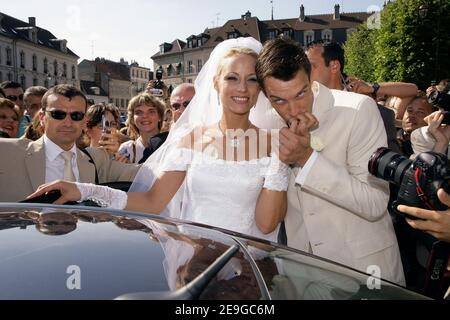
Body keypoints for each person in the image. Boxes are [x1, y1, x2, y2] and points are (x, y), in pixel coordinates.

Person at [28, 37, 289, 242]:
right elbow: (152, 201)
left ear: (260, 89)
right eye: (232, 78)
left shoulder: (274, 143)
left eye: (252, 80)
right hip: (197, 264)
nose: (242, 88)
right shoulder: (191, 139)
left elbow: (267, 224)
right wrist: (83, 189)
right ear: (216, 83)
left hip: (250, 268)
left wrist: (279, 159)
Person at [254, 37, 405, 285]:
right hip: (304, 277)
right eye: (279, 100)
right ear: (265, 95)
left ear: (310, 77)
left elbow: (375, 203)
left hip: (364, 274)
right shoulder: (267, 124)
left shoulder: (358, 110)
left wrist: (306, 158)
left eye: (301, 93)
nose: (292, 109)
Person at [0, 84, 140, 202]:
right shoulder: (9, 152)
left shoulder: (97, 159)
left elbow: (146, 173)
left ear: (84, 121)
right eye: (58, 114)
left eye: (76, 116)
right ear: (42, 117)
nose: (68, 122)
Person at [118, 93, 165, 163]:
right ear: (132, 119)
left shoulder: (170, 145)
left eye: (151, 111)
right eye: (139, 112)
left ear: (160, 117)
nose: (145, 116)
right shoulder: (127, 150)